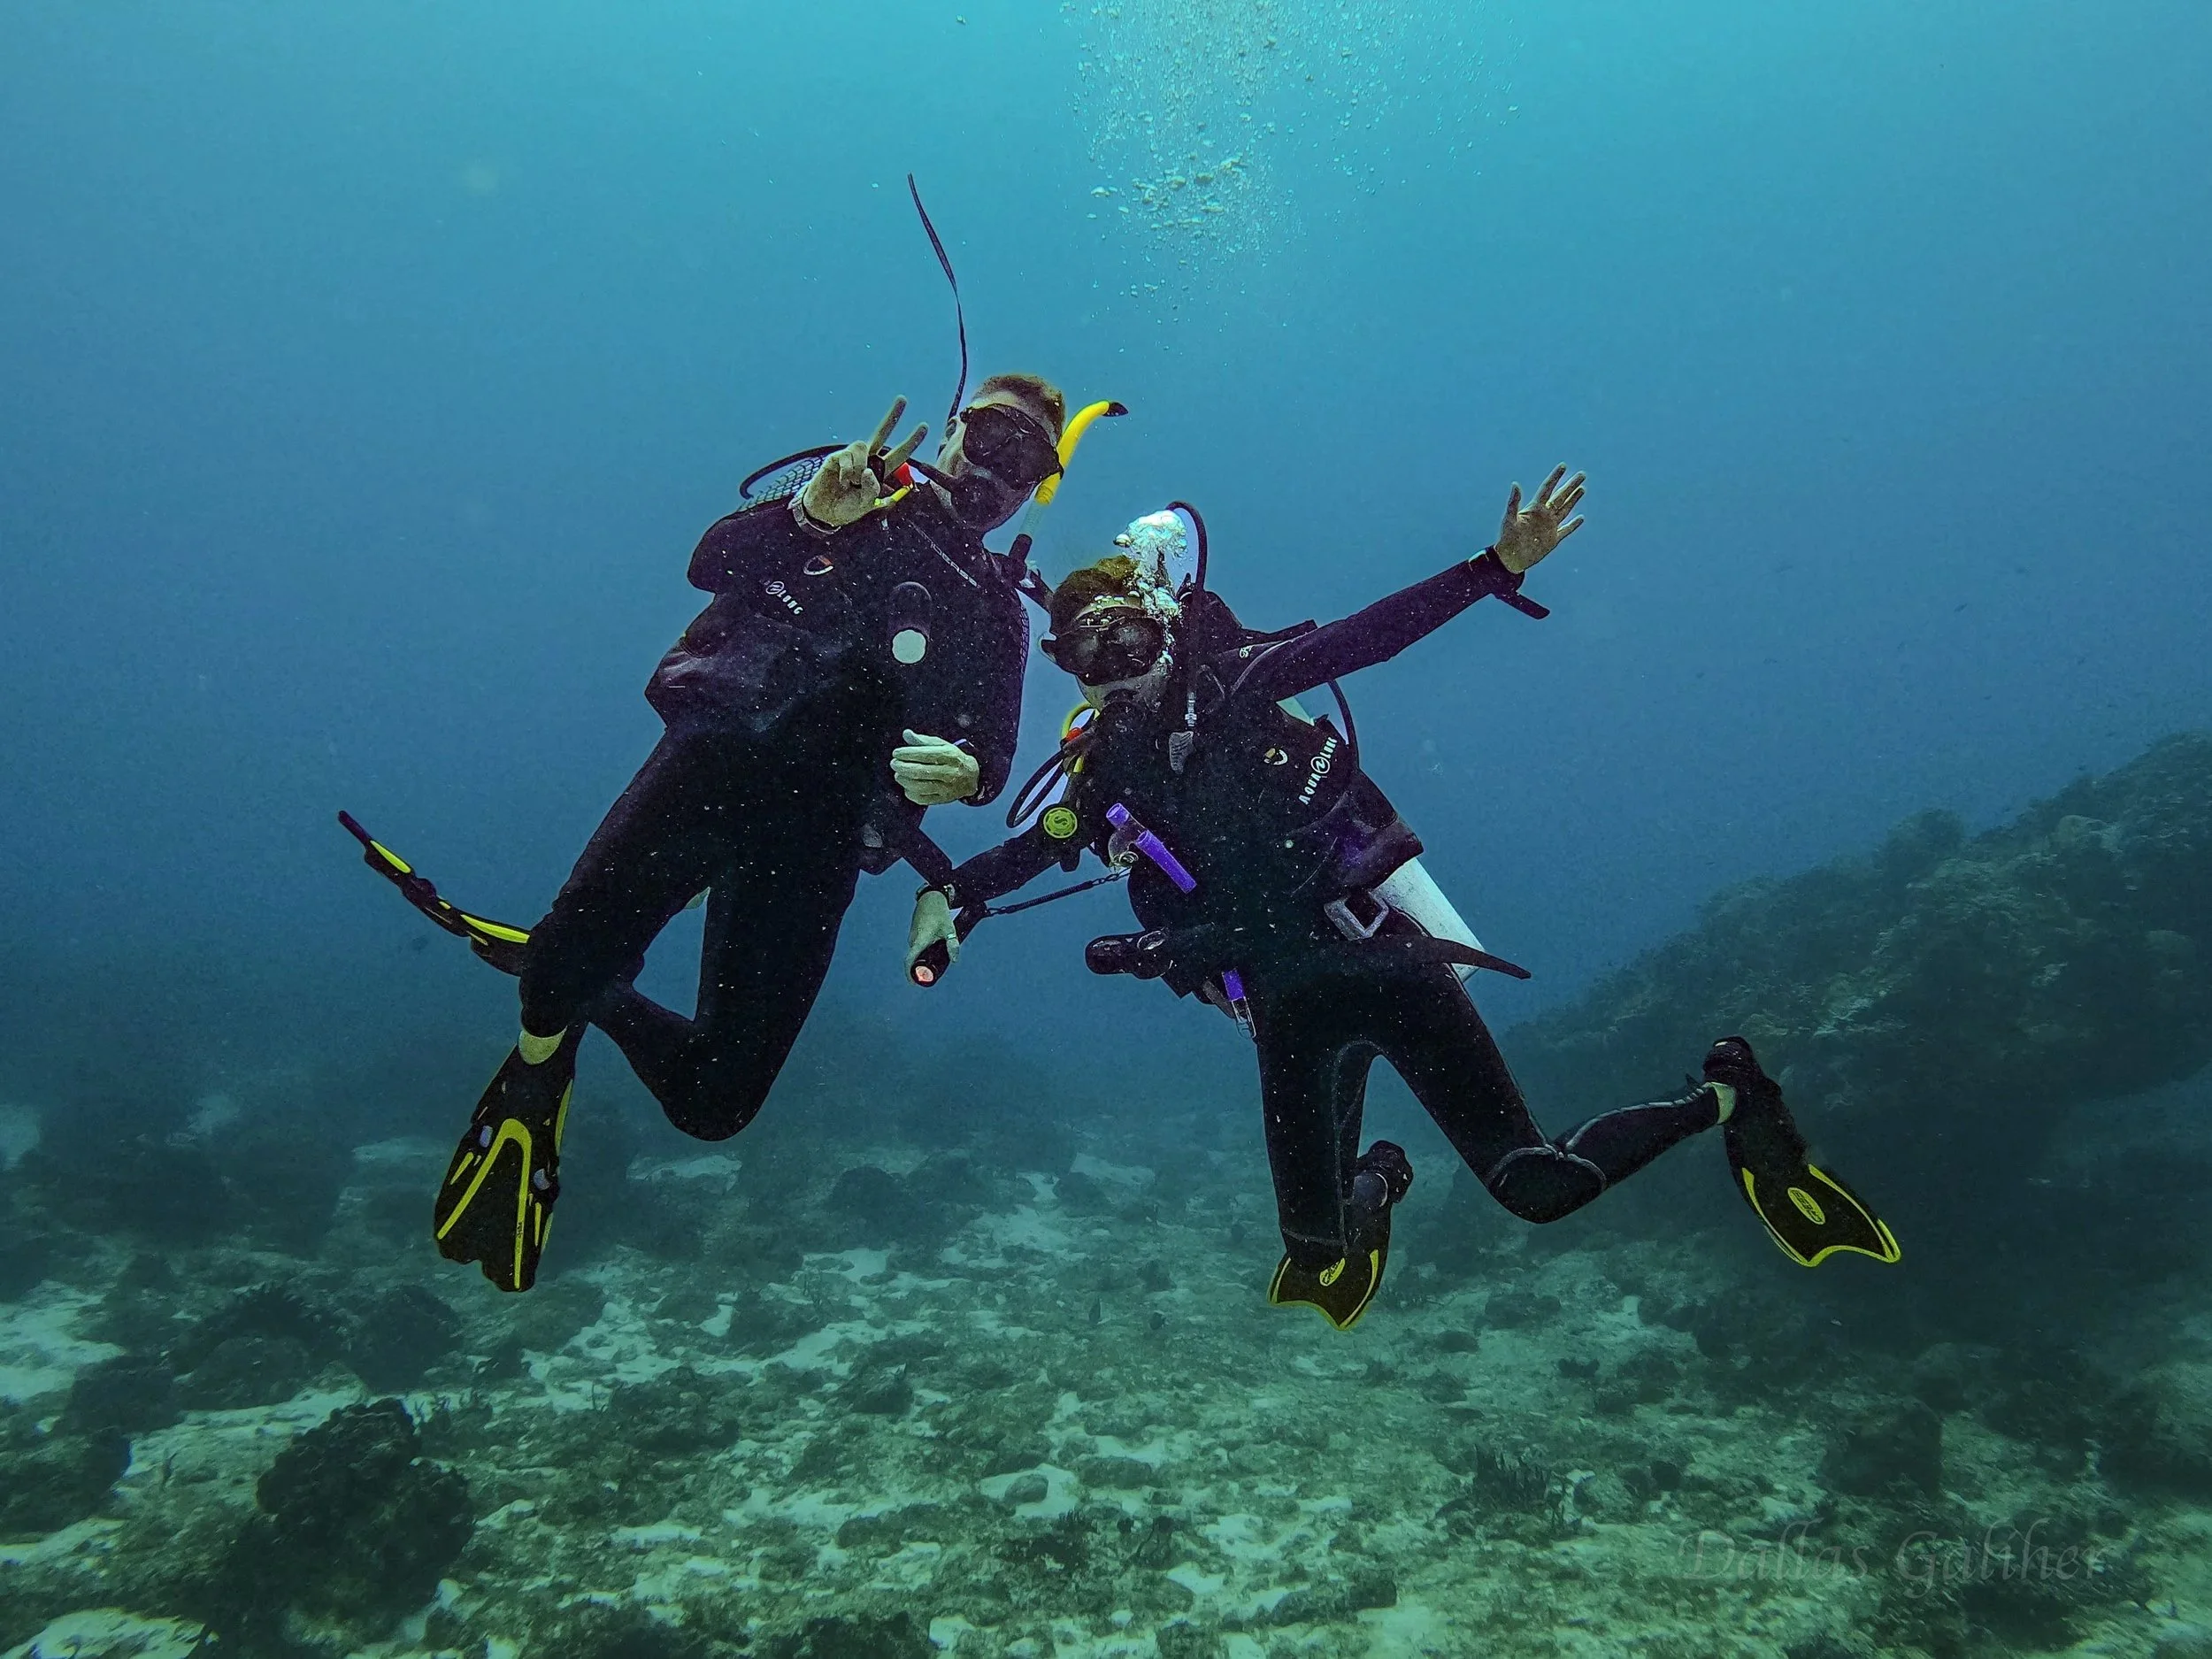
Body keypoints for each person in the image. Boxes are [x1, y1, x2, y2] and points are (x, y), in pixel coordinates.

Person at [909, 474, 1900, 1329]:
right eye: (1083, 656)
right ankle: (1380, 1178)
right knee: (1313, 1250)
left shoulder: (1246, 684)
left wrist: (1493, 567)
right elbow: (1039, 847)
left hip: (1383, 962)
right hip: (1281, 1007)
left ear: (1162, 621)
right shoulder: (1111, 765)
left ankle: (1730, 1096)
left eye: (1122, 637)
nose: (1111, 667)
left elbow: (1366, 638)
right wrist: (954, 894)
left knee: (1535, 1190)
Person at [430, 375, 1075, 1292]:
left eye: (1027, 460)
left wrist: (970, 774)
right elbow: (710, 561)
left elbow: (995, 757)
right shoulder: (856, 494)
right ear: (952, 431)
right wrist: (810, 517)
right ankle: (538, 1069)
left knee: (716, 1105)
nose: (997, 470)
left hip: (820, 840)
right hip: (714, 768)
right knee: (550, 981)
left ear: (1036, 485)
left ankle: (594, 988)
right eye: (991, 435)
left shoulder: (996, 612)